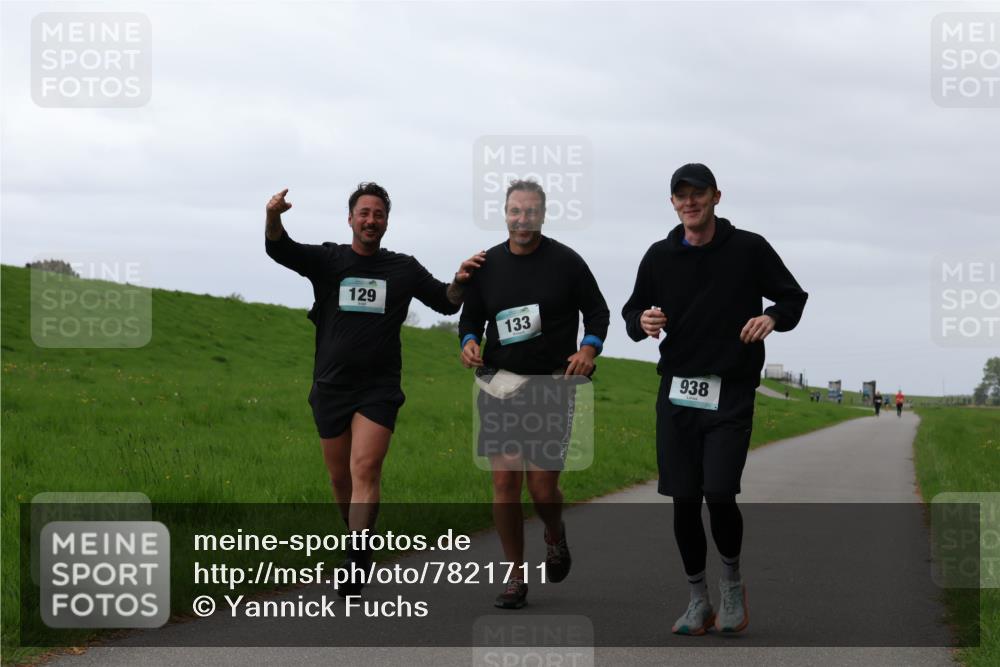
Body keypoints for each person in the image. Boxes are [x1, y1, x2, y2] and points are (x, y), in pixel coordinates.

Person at [264, 183, 485, 596]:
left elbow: (446, 301)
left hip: (378, 388)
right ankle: (356, 540)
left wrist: (459, 279)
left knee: (364, 468)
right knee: (339, 480)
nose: (371, 220)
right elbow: (281, 249)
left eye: (378, 214)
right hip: (330, 385)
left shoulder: (402, 268)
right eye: (364, 213)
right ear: (350, 219)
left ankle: (356, 555)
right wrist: (274, 216)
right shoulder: (329, 260)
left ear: (386, 221)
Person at [622, 163, 808, 635]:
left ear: (716, 197)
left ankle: (730, 584)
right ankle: (697, 599)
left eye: (698, 194)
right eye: (681, 195)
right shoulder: (659, 255)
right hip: (678, 392)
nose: (690, 202)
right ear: (672, 203)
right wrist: (642, 322)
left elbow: (792, 297)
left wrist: (773, 318)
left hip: (730, 390)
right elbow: (632, 309)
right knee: (683, 499)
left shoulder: (748, 248)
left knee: (719, 493)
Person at [458, 179, 610, 609]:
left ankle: (555, 533)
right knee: (505, 480)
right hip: (500, 382)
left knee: (542, 488)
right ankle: (514, 577)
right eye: (515, 211)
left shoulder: (567, 262)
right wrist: (468, 341)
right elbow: (470, 319)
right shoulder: (488, 265)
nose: (522, 219)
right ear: (505, 213)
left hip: (550, 385)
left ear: (542, 215)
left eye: (530, 212)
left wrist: (587, 348)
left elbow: (598, 313)